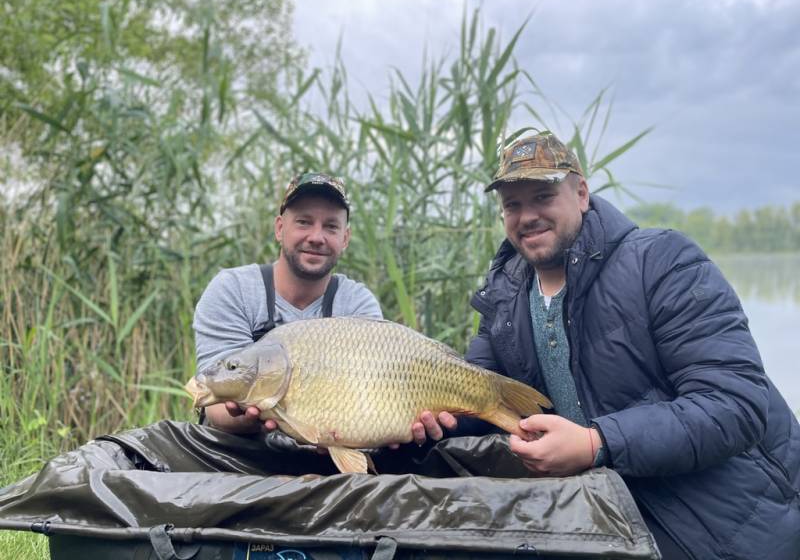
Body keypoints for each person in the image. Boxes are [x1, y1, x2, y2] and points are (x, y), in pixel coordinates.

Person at [429, 133, 800, 560]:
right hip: (606, 519)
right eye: (512, 205)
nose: (526, 216)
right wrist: (424, 422)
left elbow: (736, 405)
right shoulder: (503, 296)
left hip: (724, 526)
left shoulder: (663, 261)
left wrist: (596, 443)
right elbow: (484, 400)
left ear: (581, 193)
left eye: (543, 196)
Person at [193, 172, 383, 433]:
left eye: (331, 226)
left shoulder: (357, 304)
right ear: (280, 228)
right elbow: (215, 403)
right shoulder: (233, 289)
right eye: (304, 222)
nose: (317, 237)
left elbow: (371, 401)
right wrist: (257, 415)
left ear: (345, 239)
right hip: (240, 452)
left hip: (328, 446)